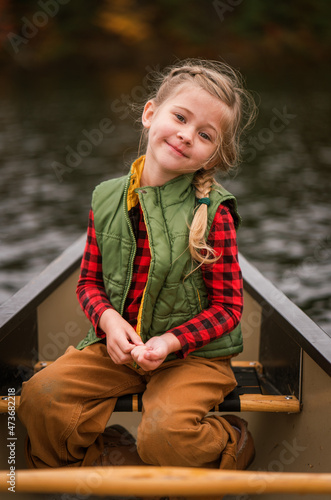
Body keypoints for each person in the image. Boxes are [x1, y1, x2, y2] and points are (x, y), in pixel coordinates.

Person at [18, 59, 257, 475]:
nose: (186, 135)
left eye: (205, 135)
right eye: (180, 117)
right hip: (121, 350)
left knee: (165, 435)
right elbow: (89, 283)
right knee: (41, 397)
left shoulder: (212, 213)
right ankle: (112, 461)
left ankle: (232, 441)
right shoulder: (106, 198)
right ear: (150, 114)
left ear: (213, 154)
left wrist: (170, 342)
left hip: (192, 357)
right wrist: (109, 322)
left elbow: (228, 310)